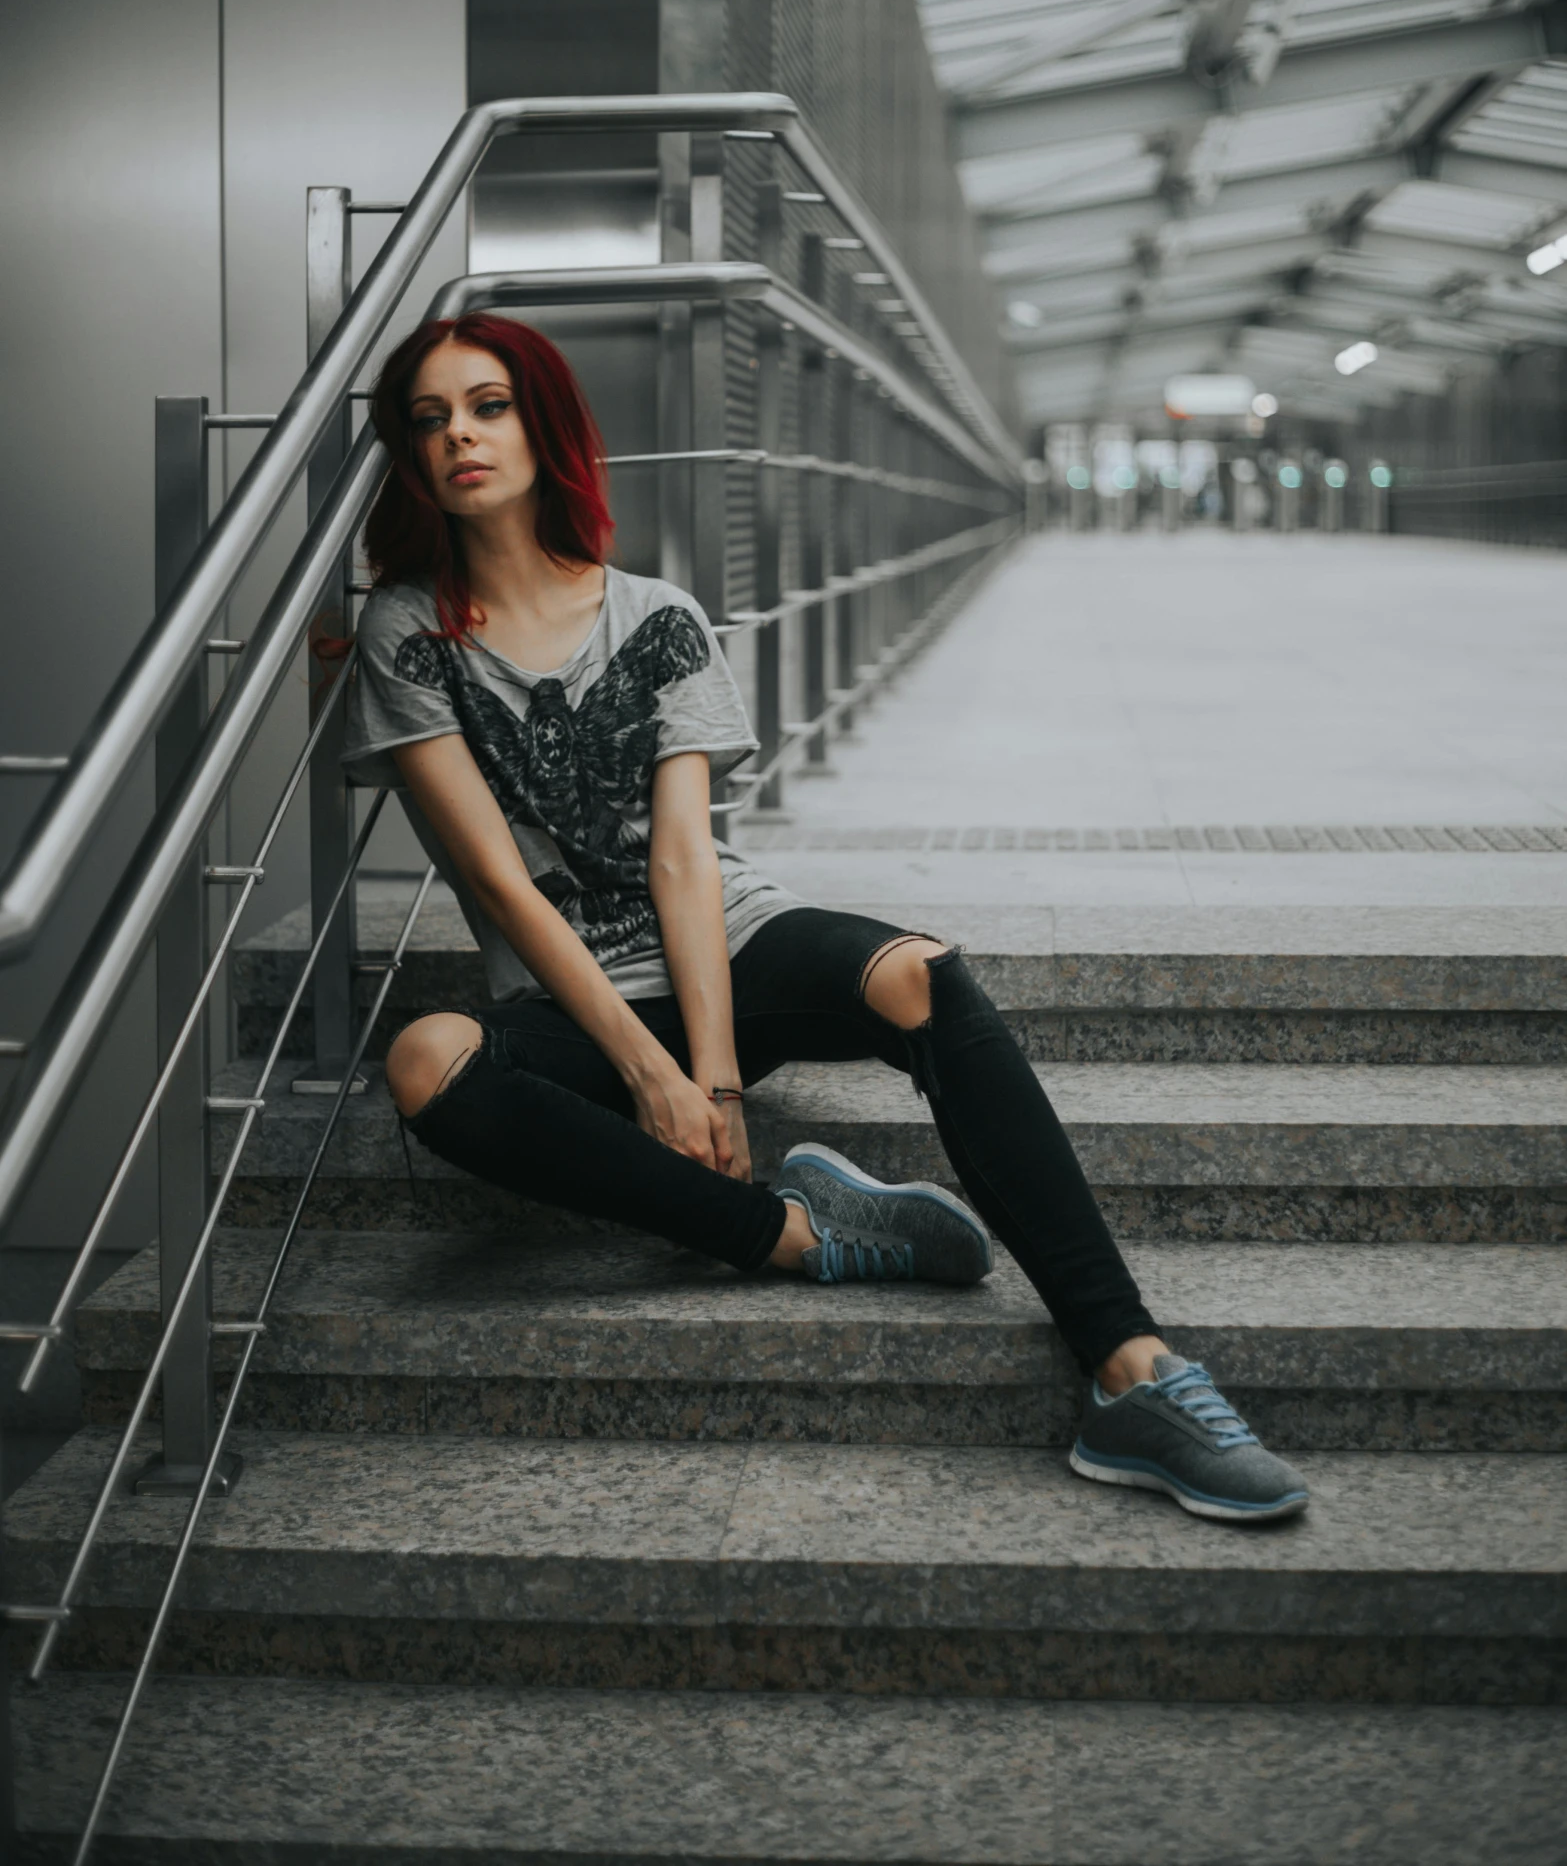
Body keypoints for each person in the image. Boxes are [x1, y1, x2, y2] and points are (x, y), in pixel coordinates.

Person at [343, 313, 1308, 1525]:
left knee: (924, 975)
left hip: (727, 950)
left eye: (488, 405)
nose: (461, 437)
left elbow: (687, 861)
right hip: (573, 1000)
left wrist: (718, 1078)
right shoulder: (408, 633)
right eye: (429, 419)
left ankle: (1129, 1367)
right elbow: (496, 882)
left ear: (545, 423)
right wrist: (647, 1075)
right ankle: (794, 1233)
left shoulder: (656, 616)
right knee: (429, 1061)